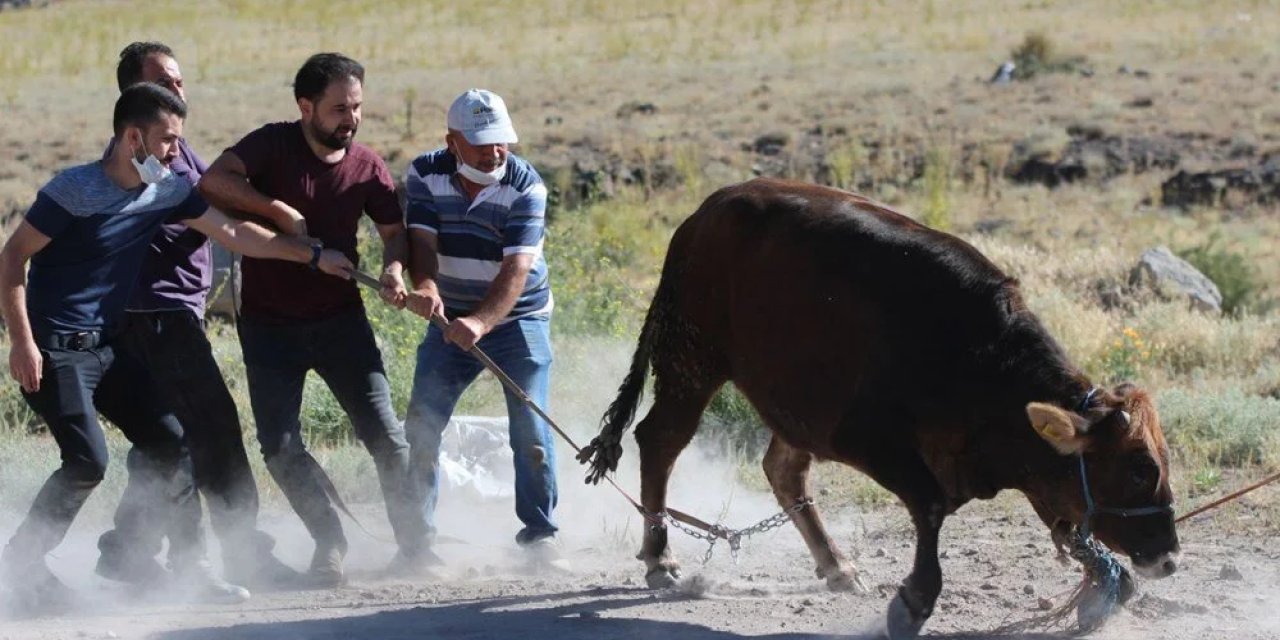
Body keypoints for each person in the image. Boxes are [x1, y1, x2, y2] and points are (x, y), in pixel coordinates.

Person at [0, 83, 353, 610]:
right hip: (55, 350)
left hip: (108, 347)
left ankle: (180, 569)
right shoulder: (73, 190)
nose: (175, 151)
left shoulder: (163, 188)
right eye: (167, 140)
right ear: (132, 136)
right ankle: (20, 567)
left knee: (173, 445)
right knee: (87, 462)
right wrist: (22, 341)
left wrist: (308, 255)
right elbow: (11, 260)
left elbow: (233, 234)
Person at [198, 52, 418, 586]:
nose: (352, 118)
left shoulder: (367, 165)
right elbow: (212, 182)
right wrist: (276, 210)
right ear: (305, 106)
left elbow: (394, 233)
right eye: (339, 107)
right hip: (269, 328)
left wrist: (394, 270)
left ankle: (416, 545)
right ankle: (330, 539)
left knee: (387, 437)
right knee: (279, 446)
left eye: (358, 106)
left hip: (342, 320)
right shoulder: (271, 144)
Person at [91, 41, 297, 591]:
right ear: (135, 93)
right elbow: (220, 221)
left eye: (180, 80)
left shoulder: (170, 148)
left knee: (167, 439)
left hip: (162, 315)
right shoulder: (144, 160)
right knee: (208, 437)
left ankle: (127, 550)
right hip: (156, 318)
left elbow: (214, 197)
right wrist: (300, 242)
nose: (178, 89)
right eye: (164, 81)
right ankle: (220, 561)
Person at [402, 89, 566, 571]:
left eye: (501, 142)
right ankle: (415, 542)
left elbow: (516, 270)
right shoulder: (424, 173)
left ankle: (540, 533)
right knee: (422, 424)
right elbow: (422, 240)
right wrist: (427, 286)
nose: (494, 153)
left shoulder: (526, 187)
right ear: (451, 141)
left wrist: (480, 321)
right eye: (481, 144)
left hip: (519, 318)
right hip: (448, 316)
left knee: (530, 428)